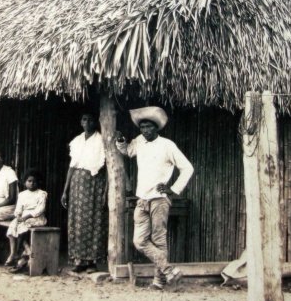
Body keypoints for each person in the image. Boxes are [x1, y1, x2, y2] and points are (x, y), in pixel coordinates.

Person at [115, 106, 194, 289]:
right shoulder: (139, 142)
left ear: (156, 127)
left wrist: (173, 189)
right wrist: (120, 141)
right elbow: (128, 151)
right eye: (142, 127)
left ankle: (159, 282)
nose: (145, 131)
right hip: (142, 198)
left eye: (149, 127)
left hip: (159, 199)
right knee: (139, 241)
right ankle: (169, 270)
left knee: (159, 240)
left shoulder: (168, 145)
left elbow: (187, 168)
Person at [61, 112, 106, 274]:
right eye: (84, 119)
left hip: (94, 183)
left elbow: (105, 168)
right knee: (76, 221)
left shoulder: (101, 140)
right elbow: (72, 167)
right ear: (81, 122)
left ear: (96, 122)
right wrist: (65, 190)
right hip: (77, 184)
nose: (87, 122)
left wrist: (105, 191)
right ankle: (79, 260)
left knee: (94, 221)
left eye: (90, 119)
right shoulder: (77, 141)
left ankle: (92, 262)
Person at [7, 169, 48, 273]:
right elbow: (18, 209)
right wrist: (18, 215)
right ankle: (15, 253)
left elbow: (40, 209)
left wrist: (27, 216)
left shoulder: (42, 194)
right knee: (13, 226)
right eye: (29, 181)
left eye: (34, 181)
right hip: (23, 218)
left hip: (36, 218)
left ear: (38, 182)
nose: (32, 183)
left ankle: (21, 253)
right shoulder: (22, 194)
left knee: (22, 227)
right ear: (25, 182)